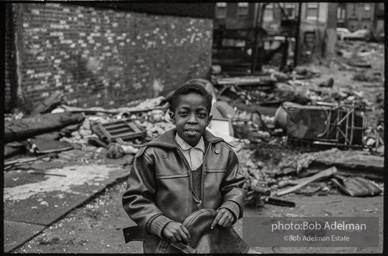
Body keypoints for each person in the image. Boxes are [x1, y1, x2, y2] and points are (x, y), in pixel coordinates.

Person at [122, 81, 246, 253]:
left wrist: (232, 205)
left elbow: (235, 186)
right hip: (166, 244)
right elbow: (135, 197)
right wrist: (160, 223)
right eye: (184, 113)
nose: (192, 121)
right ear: (172, 116)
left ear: (209, 119)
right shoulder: (152, 155)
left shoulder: (223, 152)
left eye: (201, 115)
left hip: (210, 242)